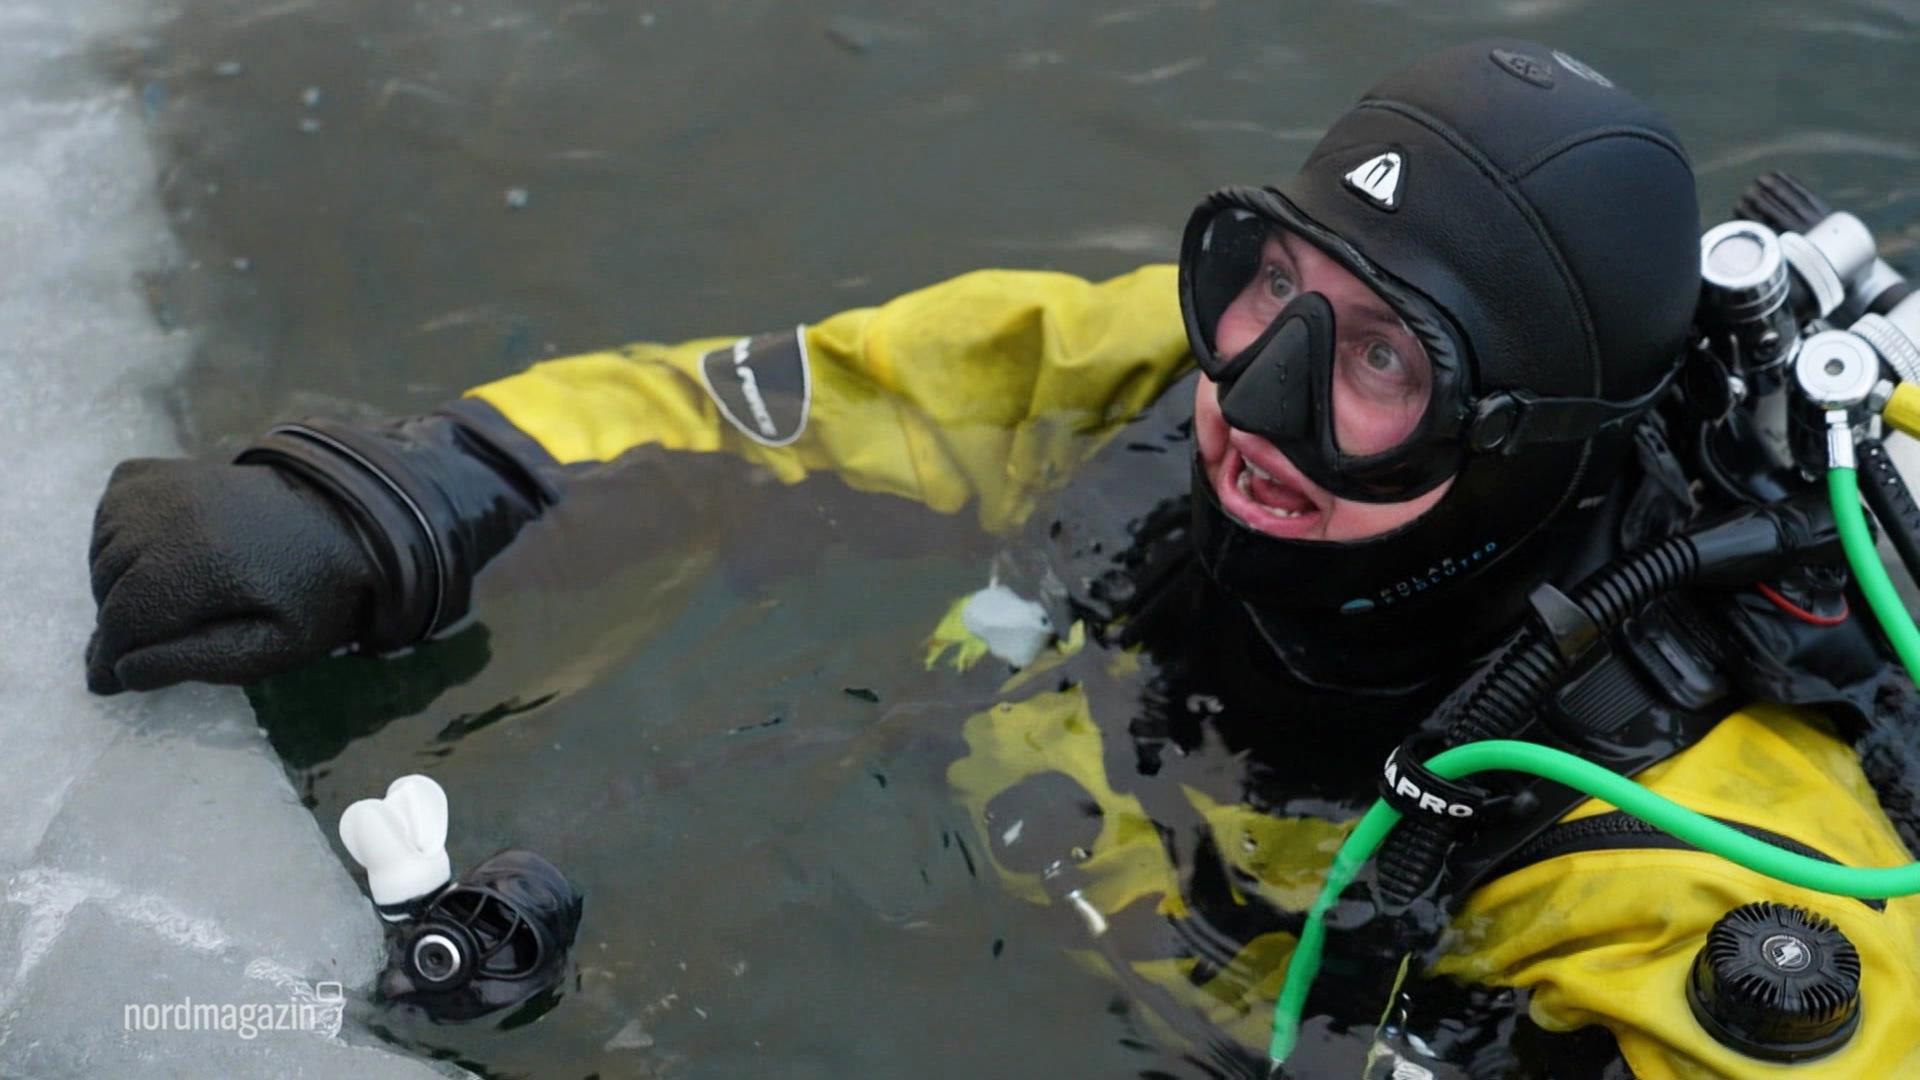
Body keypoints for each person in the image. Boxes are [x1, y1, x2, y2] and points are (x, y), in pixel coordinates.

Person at [83, 38, 1920, 1077]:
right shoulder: (1163, 374)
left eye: (1381, 360)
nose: (1256, 397)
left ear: (1529, 441)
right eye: (1269, 282)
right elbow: (804, 411)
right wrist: (419, 497)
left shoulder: (1685, 852)